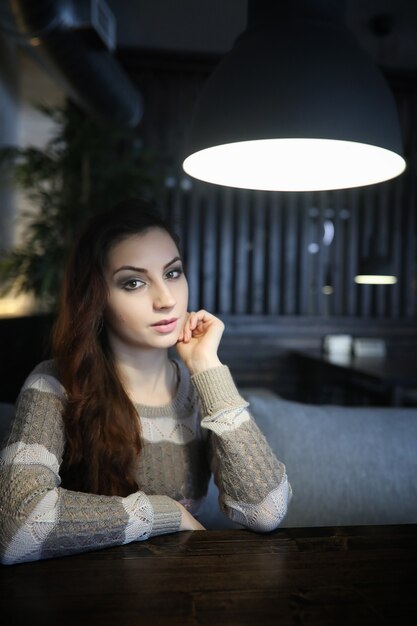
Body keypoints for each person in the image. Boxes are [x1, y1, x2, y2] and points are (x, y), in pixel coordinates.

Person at [0, 198, 291, 565]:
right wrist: (166, 514)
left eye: (172, 273)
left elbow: (265, 511)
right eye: (134, 282)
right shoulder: (55, 383)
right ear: (97, 297)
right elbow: (16, 522)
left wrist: (207, 369)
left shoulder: (201, 389)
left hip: (184, 593)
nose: (166, 299)